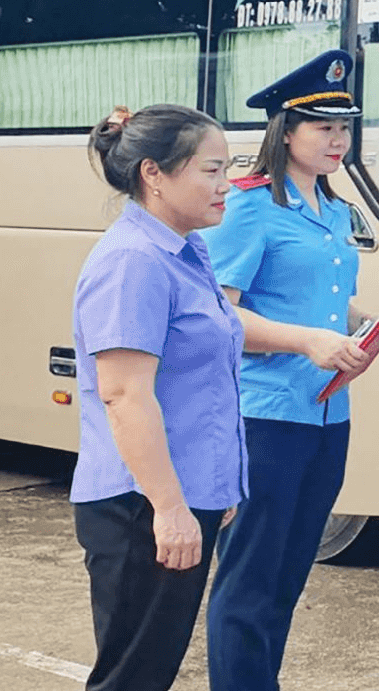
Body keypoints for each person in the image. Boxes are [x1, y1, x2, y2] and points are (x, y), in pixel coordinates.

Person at [203, 50, 379, 691]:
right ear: (285, 131)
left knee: (290, 574)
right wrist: (308, 342)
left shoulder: (332, 209)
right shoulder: (248, 207)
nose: (339, 140)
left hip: (327, 414)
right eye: (324, 127)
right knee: (249, 578)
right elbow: (219, 318)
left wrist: (366, 322)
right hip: (265, 417)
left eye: (345, 127)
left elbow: (319, 295)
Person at [71, 104, 246, 691]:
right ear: (154, 173)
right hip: (139, 504)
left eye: (229, 169)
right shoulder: (133, 262)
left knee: (149, 670)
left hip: (175, 491)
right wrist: (171, 510)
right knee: (131, 677)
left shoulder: (185, 248)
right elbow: (123, 396)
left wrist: (210, 486)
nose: (227, 186)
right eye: (212, 171)